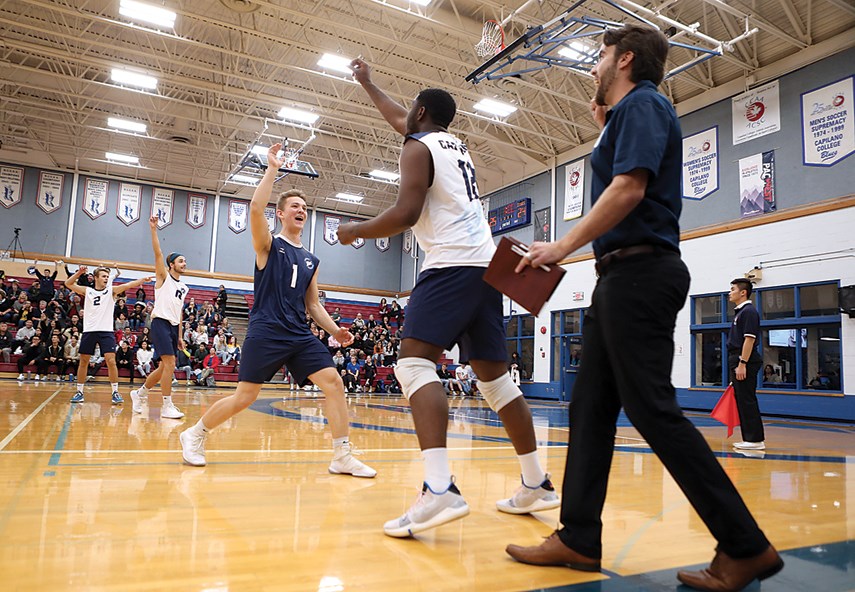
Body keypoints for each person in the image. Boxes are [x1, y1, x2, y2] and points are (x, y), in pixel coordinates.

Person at [504, 25, 782, 592]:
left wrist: (559, 247)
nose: (595, 64)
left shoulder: (648, 104)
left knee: (653, 409)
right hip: (620, 276)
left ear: (625, 59)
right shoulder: (625, 116)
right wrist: (604, 129)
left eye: (601, 54)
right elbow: (622, 173)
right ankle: (579, 536)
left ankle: (745, 545)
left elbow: (629, 189)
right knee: (589, 407)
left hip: (640, 273)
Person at [340, 58, 559, 537]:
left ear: (420, 113)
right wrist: (368, 82)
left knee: (413, 365)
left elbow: (406, 212)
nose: (405, 118)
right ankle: (536, 482)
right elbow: (399, 118)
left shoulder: (418, 147)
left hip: (452, 265)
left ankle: (439, 489)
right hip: (488, 265)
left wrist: (355, 230)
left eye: (409, 112)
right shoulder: (452, 145)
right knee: (497, 384)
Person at [178, 147, 376, 481]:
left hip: (299, 334)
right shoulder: (268, 246)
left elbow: (312, 305)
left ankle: (342, 454)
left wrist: (334, 330)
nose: (301, 210)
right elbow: (256, 208)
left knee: (334, 383)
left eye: (304, 207)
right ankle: (194, 434)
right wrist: (272, 169)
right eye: (295, 206)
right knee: (245, 397)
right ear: (281, 215)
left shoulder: (312, 259)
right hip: (267, 330)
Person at [129, 217, 189, 419]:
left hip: (173, 327)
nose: (184, 263)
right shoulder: (163, 277)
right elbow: (158, 253)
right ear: (171, 264)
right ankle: (166, 406)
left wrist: (180, 336)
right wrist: (153, 230)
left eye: (185, 261)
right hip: (160, 323)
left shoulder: (184, 287)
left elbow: (179, 312)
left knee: (165, 366)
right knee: (170, 364)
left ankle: (139, 394)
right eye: (181, 260)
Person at [65, 265, 151, 404]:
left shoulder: (111, 291)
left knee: (111, 361)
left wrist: (142, 279)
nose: (106, 278)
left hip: (106, 331)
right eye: (103, 276)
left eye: (107, 276)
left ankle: (115, 392)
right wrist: (79, 273)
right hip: (89, 330)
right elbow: (68, 283)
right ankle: (79, 392)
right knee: (84, 362)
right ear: (96, 278)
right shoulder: (88, 291)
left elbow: (128, 285)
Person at [727, 278, 765, 450]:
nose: (730, 292)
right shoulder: (740, 312)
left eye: (732, 289)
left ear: (743, 292)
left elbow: (749, 339)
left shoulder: (748, 312)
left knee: (747, 399)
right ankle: (749, 438)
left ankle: (755, 440)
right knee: (741, 399)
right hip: (737, 359)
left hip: (744, 359)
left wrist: (742, 363)